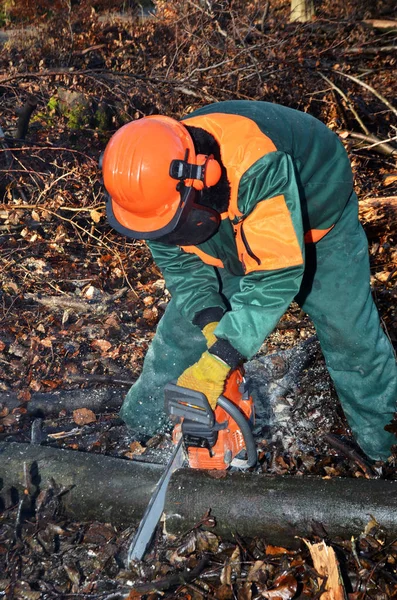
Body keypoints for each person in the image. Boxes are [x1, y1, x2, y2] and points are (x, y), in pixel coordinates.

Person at [101, 100, 397, 461]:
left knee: (351, 337)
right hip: (222, 229)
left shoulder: (256, 163)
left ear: (201, 176)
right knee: (180, 335)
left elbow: (275, 274)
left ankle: (384, 452)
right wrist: (211, 323)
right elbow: (181, 268)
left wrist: (223, 356)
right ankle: (137, 432)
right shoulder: (151, 187)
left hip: (318, 228)